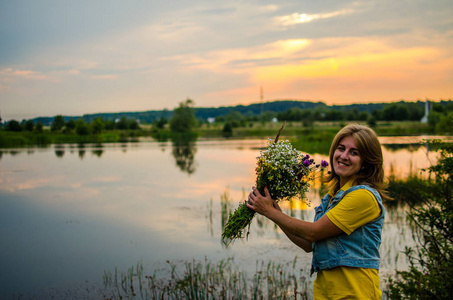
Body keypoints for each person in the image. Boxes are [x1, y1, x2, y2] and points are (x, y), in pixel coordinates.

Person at [246, 123, 390, 299]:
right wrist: (275, 213)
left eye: (354, 152)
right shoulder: (333, 196)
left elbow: (313, 232)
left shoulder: (364, 196)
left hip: (354, 293)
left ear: (366, 163)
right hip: (327, 293)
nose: (344, 156)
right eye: (341, 148)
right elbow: (309, 244)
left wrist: (271, 212)